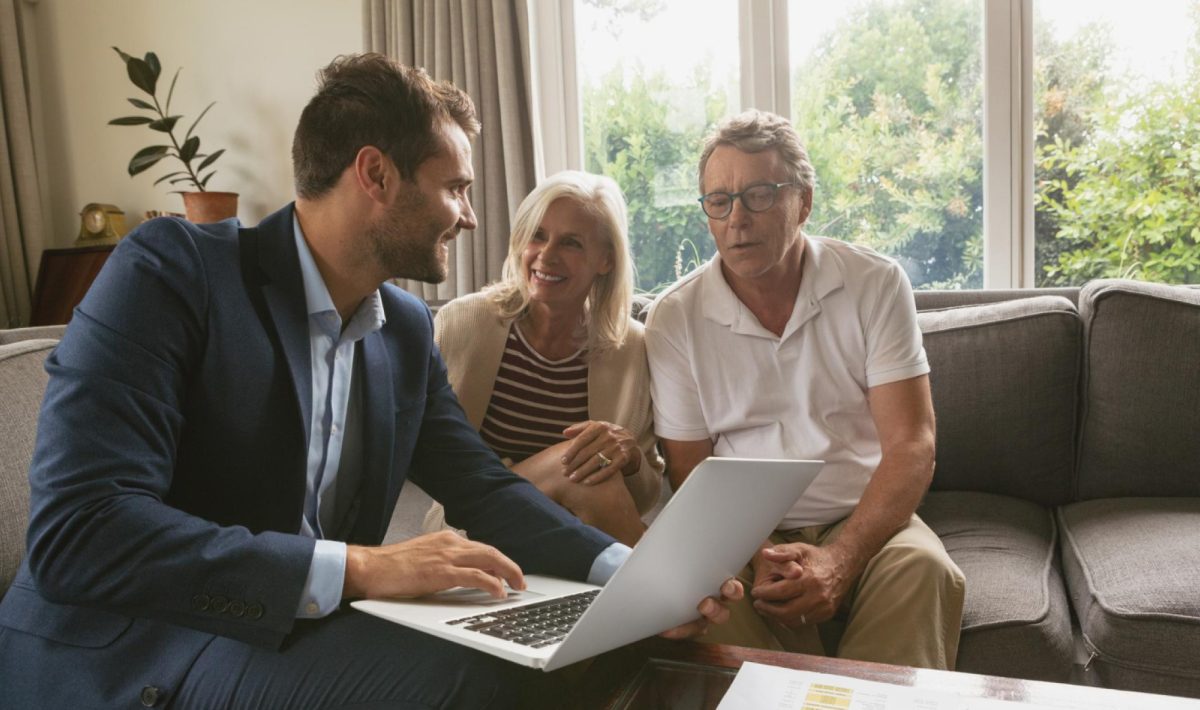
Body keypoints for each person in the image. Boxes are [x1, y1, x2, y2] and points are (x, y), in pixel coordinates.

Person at [0, 54, 737, 709]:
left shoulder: (405, 329)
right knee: (480, 682)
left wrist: (633, 576)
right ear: (376, 174)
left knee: (601, 641)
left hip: (289, 633)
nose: (472, 217)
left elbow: (485, 489)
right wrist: (360, 567)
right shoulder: (172, 274)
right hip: (139, 649)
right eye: (455, 188)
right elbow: (81, 533)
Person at [644, 109, 965, 670]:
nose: (737, 218)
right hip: (738, 530)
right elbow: (691, 474)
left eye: (760, 195)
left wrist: (839, 559)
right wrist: (762, 551)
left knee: (926, 569)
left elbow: (913, 444)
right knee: (692, 591)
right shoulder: (675, 318)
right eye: (719, 201)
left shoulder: (874, 283)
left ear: (804, 202)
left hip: (861, 516)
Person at [424, 171, 662, 547]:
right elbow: (429, 456)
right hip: (473, 524)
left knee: (589, 473)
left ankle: (667, 586)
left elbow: (643, 497)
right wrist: (557, 473)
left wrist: (630, 456)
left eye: (571, 243)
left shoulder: (632, 348)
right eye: (537, 235)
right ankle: (675, 587)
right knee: (579, 467)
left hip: (582, 534)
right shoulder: (462, 323)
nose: (546, 255)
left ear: (606, 260)